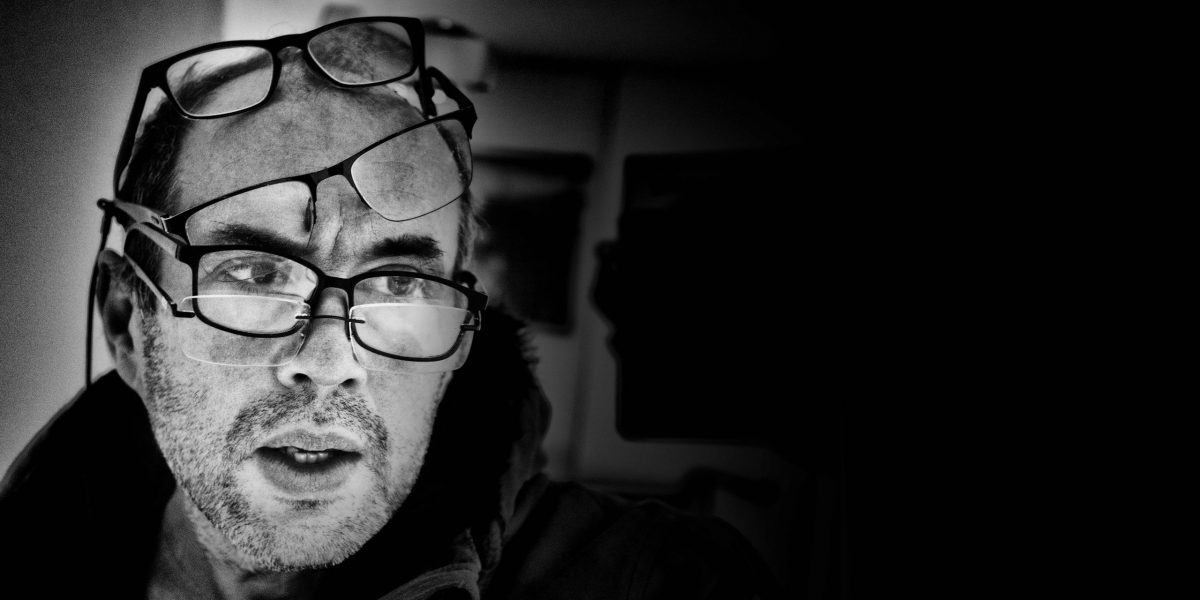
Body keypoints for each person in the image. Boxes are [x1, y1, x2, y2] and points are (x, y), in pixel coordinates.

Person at [0, 17, 779, 600]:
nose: (330, 362)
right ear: (128, 326)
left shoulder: (666, 581)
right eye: (256, 273)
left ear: (460, 340)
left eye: (398, 284)